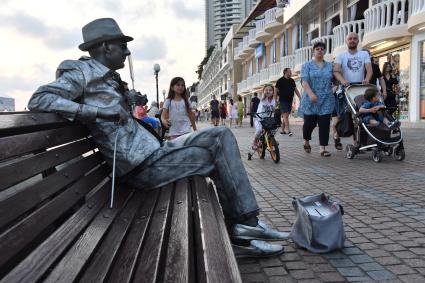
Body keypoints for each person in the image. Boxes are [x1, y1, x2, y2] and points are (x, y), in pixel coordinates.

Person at [27, 17, 287, 258]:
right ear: (105, 47)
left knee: (221, 135)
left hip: (153, 152)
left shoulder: (107, 78)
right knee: (211, 157)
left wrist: (127, 100)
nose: (127, 52)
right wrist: (99, 112)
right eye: (122, 46)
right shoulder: (81, 73)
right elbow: (40, 99)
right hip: (140, 167)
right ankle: (243, 229)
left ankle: (247, 224)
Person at [333, 32, 372, 147]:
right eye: (350, 39)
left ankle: (355, 141)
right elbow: (336, 71)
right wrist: (342, 80)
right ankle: (336, 135)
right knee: (344, 115)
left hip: (360, 88)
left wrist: (367, 79)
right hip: (346, 88)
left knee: (358, 115)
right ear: (346, 41)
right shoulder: (341, 56)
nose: (352, 40)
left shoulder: (364, 54)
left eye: (355, 38)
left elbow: (369, 70)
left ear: (358, 41)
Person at [298, 41, 335, 157]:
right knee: (309, 123)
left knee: (324, 124)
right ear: (313, 51)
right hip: (311, 99)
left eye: (322, 49)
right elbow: (304, 82)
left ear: (324, 51)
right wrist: (311, 94)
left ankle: (322, 148)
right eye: (317, 49)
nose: (320, 50)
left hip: (326, 99)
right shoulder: (306, 66)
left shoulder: (330, 66)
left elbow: (335, 80)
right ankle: (306, 140)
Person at [275, 68, 301, 136]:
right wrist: (275, 100)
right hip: (282, 100)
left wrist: (300, 97)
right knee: (285, 115)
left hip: (289, 100)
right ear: (285, 72)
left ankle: (283, 130)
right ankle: (288, 129)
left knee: (286, 116)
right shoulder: (280, 81)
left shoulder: (292, 80)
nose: (291, 73)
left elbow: (295, 89)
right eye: (289, 72)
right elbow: (275, 90)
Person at [252, 85, 276, 150]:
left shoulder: (274, 100)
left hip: (268, 119)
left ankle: (271, 141)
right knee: (259, 130)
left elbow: (274, 109)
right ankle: (254, 142)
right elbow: (265, 94)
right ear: (263, 92)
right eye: (266, 90)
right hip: (259, 119)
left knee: (273, 130)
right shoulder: (263, 98)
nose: (268, 91)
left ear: (273, 92)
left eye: (270, 90)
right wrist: (265, 92)